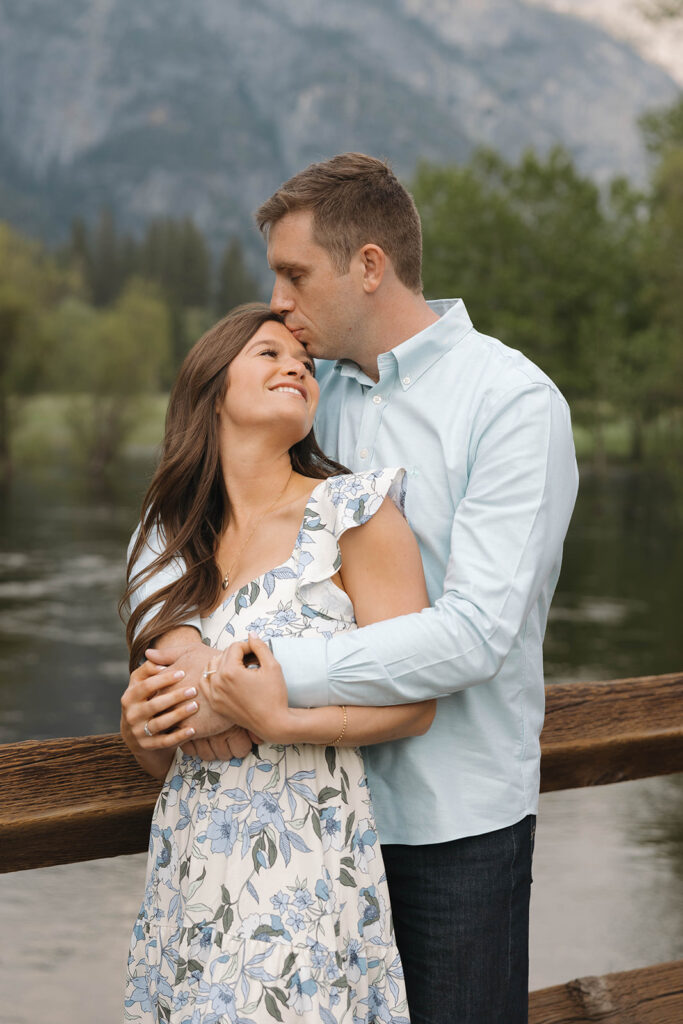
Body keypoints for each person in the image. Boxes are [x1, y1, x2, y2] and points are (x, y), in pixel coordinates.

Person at [131, 153, 579, 1024]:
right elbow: (175, 521)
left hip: (448, 824)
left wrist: (258, 678)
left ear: (368, 266)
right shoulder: (302, 390)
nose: (281, 303)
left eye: (295, 275)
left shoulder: (511, 403)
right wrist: (185, 660)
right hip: (295, 834)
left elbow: (474, 635)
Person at [120, 302, 435, 1023]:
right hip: (190, 875)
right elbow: (165, 754)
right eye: (266, 354)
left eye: (302, 360)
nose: (295, 364)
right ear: (210, 387)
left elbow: (416, 703)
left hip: (303, 875)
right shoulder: (170, 543)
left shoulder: (355, 513)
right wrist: (139, 727)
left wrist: (281, 718)